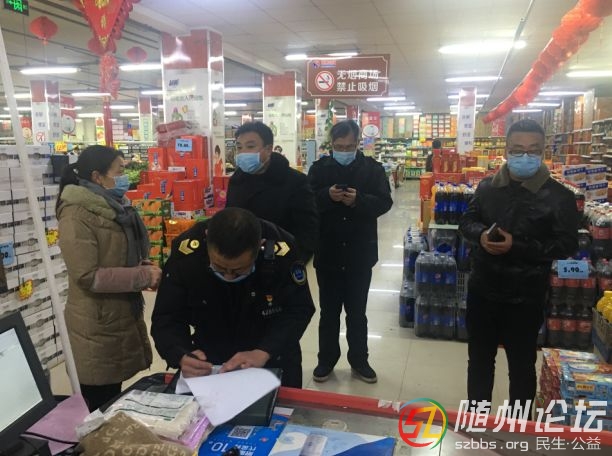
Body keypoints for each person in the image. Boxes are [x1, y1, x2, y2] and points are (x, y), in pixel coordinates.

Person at [459, 119, 578, 416]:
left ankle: (519, 427)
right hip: (483, 290)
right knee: (479, 361)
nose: (525, 156)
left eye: (533, 150)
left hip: (526, 295)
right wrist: (481, 235)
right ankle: (478, 420)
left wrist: (518, 246)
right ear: (506, 150)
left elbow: (566, 245)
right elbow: (467, 221)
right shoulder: (487, 187)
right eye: (517, 149)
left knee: (522, 366)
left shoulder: (559, 197)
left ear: (543, 151)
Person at [150, 207, 315, 388]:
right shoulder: (188, 254)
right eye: (219, 268)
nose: (228, 276)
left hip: (272, 356)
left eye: (238, 270)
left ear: (260, 245)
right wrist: (181, 354)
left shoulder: (282, 251)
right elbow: (167, 316)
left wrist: (264, 351)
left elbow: (299, 309)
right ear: (207, 239)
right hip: (210, 361)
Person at [56, 145, 162, 411]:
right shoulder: (76, 214)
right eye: (119, 171)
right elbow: (86, 275)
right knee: (98, 405)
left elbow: (114, 256)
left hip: (117, 316)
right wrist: (141, 276)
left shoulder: (114, 208)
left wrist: (142, 265)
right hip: (95, 322)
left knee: (113, 398)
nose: (124, 177)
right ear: (97, 176)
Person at [307, 120, 393, 384]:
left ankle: (359, 360)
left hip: (359, 253)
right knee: (328, 313)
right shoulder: (319, 169)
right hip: (328, 253)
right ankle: (326, 360)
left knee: (357, 314)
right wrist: (326, 196)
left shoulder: (373, 169)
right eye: (339, 146)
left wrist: (359, 200)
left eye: (349, 146)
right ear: (331, 145)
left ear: (358, 144)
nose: (344, 151)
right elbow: (306, 201)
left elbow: (385, 202)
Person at [226, 122, 318, 261]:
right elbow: (230, 216)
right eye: (239, 147)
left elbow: (307, 230)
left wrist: (295, 260)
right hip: (240, 259)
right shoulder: (237, 180)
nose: (243, 152)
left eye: (250, 146)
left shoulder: (295, 181)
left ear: (268, 149)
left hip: (280, 259)